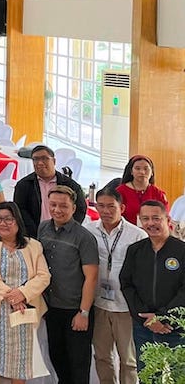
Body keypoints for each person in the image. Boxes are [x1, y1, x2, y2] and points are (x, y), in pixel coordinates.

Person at [0, 202, 51, 383]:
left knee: (21, 357)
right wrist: (12, 296)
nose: (3, 223)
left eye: (8, 218)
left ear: (17, 221)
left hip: (24, 309)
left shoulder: (34, 245)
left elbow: (43, 276)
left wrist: (22, 294)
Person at [39, 185, 100, 384]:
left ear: (73, 208)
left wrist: (83, 313)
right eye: (53, 205)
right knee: (57, 357)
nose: (57, 209)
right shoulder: (43, 228)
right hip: (52, 307)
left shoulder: (84, 237)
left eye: (63, 206)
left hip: (76, 309)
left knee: (78, 363)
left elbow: (91, 277)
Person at [88, 187, 148, 384]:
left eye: (111, 206)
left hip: (125, 307)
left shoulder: (137, 235)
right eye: (101, 206)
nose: (105, 211)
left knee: (129, 360)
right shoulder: (89, 231)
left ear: (121, 208)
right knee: (102, 356)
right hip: (98, 303)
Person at [119, 200, 185, 373]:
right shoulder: (135, 250)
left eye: (156, 218)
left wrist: (163, 317)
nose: (150, 223)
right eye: (145, 218)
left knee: (177, 374)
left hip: (175, 327)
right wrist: (145, 319)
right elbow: (126, 284)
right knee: (147, 373)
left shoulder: (181, 250)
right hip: (144, 327)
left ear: (167, 219)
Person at [14, 145, 88, 238]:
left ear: (54, 161)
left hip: (63, 235)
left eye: (44, 158)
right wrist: (35, 233)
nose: (40, 163)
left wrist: (67, 230)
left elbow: (80, 210)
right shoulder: (24, 185)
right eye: (35, 159)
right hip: (33, 235)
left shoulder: (70, 185)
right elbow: (20, 211)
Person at [115, 154, 169, 225]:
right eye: (137, 168)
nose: (142, 172)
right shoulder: (120, 191)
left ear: (152, 172)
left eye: (146, 169)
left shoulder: (159, 194)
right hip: (127, 232)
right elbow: (114, 216)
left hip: (153, 232)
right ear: (131, 171)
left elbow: (165, 218)